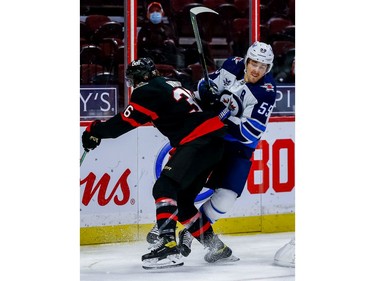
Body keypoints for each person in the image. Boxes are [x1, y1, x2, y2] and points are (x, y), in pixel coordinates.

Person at [81, 57, 234, 270]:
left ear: (141, 77)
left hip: (198, 141)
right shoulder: (170, 84)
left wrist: (93, 131)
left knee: (164, 187)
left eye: (133, 79)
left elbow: (122, 124)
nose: (132, 84)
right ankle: (216, 247)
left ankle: (168, 246)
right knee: (182, 202)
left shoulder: (147, 91)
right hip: (214, 142)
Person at [147, 41, 277, 259]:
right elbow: (202, 89)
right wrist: (206, 91)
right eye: (253, 63)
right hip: (209, 140)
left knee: (226, 198)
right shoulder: (231, 65)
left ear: (268, 68)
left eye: (262, 66)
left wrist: (221, 119)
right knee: (185, 184)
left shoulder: (266, 92)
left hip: (237, 149)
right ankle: (168, 223)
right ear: (246, 61)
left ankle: (189, 232)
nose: (256, 69)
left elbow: (251, 133)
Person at [137, 2, 183, 68]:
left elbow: (174, 44)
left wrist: (170, 42)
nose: (155, 13)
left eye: (157, 11)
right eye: (152, 11)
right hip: (151, 59)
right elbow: (141, 46)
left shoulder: (168, 29)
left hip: (166, 57)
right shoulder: (144, 30)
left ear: (162, 13)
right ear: (148, 15)